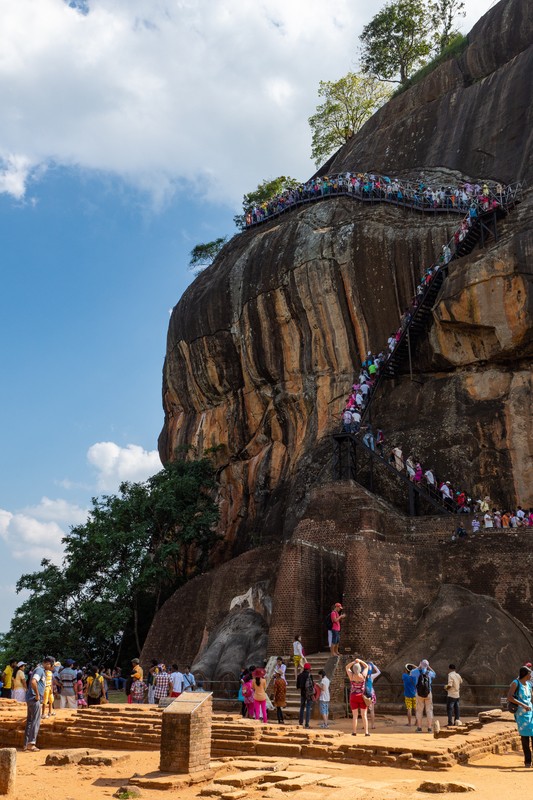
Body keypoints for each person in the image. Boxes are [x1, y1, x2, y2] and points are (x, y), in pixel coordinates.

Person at [24, 655, 54, 751]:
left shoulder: (39, 670)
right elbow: (33, 682)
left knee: (29, 721)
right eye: (51, 665)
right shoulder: (40, 670)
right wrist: (37, 694)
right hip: (34, 698)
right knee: (35, 720)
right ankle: (31, 744)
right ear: (47, 663)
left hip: (30, 698)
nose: (51, 668)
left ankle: (26, 744)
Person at [507, 666, 533, 767]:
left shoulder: (529, 685)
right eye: (529, 674)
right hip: (521, 714)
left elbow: (530, 698)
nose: (531, 676)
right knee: (525, 737)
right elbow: (510, 697)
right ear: (525, 674)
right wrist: (523, 705)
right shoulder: (515, 683)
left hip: (530, 712)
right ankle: (527, 761)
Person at [410, 659, 436, 732]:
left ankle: (419, 728)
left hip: (419, 693)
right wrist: (428, 667)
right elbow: (435, 674)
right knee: (429, 710)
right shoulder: (429, 673)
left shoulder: (416, 672)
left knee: (419, 711)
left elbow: (411, 673)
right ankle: (429, 728)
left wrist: (418, 667)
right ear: (427, 665)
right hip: (428, 693)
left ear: (421, 664)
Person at [346, 658, 370, 736]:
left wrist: (353, 662)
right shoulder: (363, 676)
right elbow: (366, 666)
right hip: (361, 697)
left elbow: (347, 667)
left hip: (353, 696)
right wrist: (360, 661)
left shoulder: (351, 676)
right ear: (360, 669)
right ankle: (366, 732)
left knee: (355, 716)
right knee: (364, 715)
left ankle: (354, 732)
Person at [297, 663, 314, 729]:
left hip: (302, 693)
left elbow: (298, 686)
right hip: (309, 694)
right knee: (308, 708)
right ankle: (307, 724)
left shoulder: (300, 675)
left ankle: (300, 722)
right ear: (309, 669)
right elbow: (311, 685)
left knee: (302, 707)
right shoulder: (309, 675)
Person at [365, 660, 381, 730]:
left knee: (364, 710)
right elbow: (379, 672)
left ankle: (365, 724)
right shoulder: (371, 676)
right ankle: (373, 725)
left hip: (364, 694)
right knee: (372, 710)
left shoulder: (363, 675)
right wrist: (374, 665)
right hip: (371, 693)